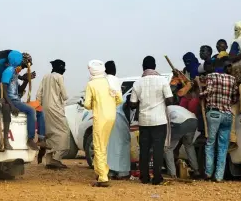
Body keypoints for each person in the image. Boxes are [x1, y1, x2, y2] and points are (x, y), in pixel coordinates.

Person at [128, 56, 173, 185]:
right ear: (155, 66)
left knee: (144, 150)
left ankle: (144, 177)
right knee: (158, 149)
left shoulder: (137, 83)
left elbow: (132, 104)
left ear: (143, 67)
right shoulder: (162, 81)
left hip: (144, 121)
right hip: (159, 120)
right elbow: (170, 101)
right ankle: (157, 178)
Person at [84, 60, 122, 187]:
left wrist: (95, 104)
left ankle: (103, 177)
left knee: (98, 146)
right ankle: (101, 171)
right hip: (112, 116)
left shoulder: (91, 84)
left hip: (100, 117)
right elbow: (119, 99)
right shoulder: (109, 81)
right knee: (104, 145)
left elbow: (87, 104)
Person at [200, 58, 239, 182]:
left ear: (214, 66)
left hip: (214, 113)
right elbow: (235, 97)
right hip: (227, 114)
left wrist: (201, 94)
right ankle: (219, 176)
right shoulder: (232, 79)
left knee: (210, 143)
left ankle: (208, 172)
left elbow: (209, 91)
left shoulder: (211, 76)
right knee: (223, 146)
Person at [0, 50, 44, 150]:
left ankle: (41, 139)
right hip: (13, 100)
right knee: (31, 110)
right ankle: (30, 139)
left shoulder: (13, 72)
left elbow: (19, 90)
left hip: (16, 100)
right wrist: (12, 105)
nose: (22, 65)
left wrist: (26, 80)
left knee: (39, 109)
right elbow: (4, 90)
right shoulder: (9, 71)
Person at [37, 59, 70, 169]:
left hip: (45, 108)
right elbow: (65, 96)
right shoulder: (59, 77)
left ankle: (49, 160)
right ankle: (56, 158)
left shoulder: (46, 76)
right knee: (64, 133)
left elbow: (38, 94)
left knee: (50, 133)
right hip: (56, 108)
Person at [165, 105, 201, 178]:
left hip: (180, 122)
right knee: (189, 146)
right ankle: (196, 170)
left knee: (168, 148)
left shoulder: (163, 110)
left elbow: (167, 127)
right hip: (193, 121)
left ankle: (173, 173)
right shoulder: (175, 107)